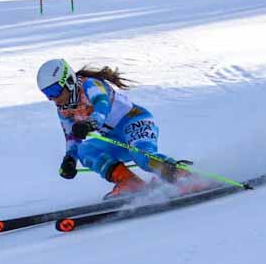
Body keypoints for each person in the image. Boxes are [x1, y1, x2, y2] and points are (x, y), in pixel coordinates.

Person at [36, 59, 183, 199]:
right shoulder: (64, 109)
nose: (53, 98)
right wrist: (70, 159)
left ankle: (183, 176)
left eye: (54, 91)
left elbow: (102, 105)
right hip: (115, 139)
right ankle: (130, 183)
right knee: (85, 150)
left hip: (135, 122)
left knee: (143, 158)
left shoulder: (90, 85)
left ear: (68, 81)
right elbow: (71, 137)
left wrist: (90, 123)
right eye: (47, 94)